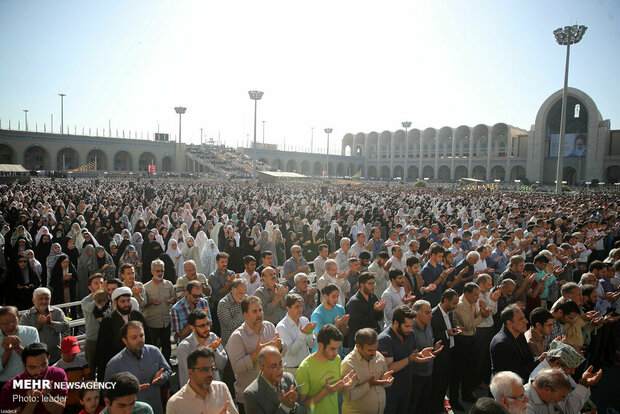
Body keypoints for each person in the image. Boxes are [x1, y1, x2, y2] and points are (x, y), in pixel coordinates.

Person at [225, 295, 283, 412]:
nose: (259, 314)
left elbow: (282, 350)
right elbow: (237, 367)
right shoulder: (237, 337)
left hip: (273, 393)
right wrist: (257, 353)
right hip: (250, 398)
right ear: (245, 315)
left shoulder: (269, 327)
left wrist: (280, 347)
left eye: (260, 310)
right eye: (255, 311)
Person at [377, 305, 438, 414]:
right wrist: (410, 359)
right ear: (396, 322)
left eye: (411, 326)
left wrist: (421, 354)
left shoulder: (410, 334)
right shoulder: (385, 340)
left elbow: (414, 354)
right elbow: (389, 367)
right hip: (391, 392)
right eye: (406, 326)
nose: (410, 329)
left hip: (406, 388)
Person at [104, 321, 172, 414]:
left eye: (141, 335)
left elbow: (167, 370)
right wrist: (130, 390)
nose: (139, 340)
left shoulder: (154, 351)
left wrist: (162, 377)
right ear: (125, 340)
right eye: (134, 337)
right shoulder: (114, 364)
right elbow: (107, 392)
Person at [528, 340, 602, 414]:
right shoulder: (542, 380)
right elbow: (567, 411)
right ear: (557, 363)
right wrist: (583, 385)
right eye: (571, 368)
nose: (573, 372)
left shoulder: (559, 370)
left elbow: (575, 393)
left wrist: (584, 384)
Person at [296, 324, 356, 414]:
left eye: (338, 348)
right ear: (320, 346)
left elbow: (336, 392)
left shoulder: (337, 359)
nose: (336, 352)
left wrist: (342, 386)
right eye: (332, 349)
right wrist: (325, 392)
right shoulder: (304, 368)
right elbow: (302, 405)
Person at [95, 287, 148, 381]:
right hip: (118, 365)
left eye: (128, 300)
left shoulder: (137, 316)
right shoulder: (108, 321)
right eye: (123, 301)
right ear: (115, 302)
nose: (127, 304)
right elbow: (103, 349)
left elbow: (147, 339)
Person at [0, 342, 68, 414]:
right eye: (32, 367)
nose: (38, 371)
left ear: (48, 359)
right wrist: (32, 402)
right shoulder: (10, 387)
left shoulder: (58, 375)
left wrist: (46, 397)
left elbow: (59, 411)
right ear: (24, 365)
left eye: (43, 365)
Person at [167, 347, 237, 414]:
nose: (210, 373)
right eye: (204, 369)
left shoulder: (221, 389)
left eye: (212, 369)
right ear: (190, 373)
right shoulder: (175, 404)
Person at [453, 281, 492, 402]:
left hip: (471, 338)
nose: (477, 297)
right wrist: (483, 317)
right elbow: (469, 325)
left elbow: (475, 316)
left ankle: (467, 393)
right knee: (460, 371)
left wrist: (482, 312)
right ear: (467, 294)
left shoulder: (472, 302)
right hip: (462, 340)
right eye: (475, 295)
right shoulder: (460, 305)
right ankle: (458, 398)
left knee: (470, 369)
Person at [340, 328, 393, 414]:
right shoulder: (349, 364)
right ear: (358, 347)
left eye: (375, 349)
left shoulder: (379, 357)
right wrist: (369, 384)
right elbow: (348, 396)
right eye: (370, 350)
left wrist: (386, 381)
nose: (374, 354)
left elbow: (386, 383)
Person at [243, 346, 307, 414]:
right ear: (262, 368)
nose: (280, 369)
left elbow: (304, 411)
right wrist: (284, 407)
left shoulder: (289, 379)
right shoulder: (251, 394)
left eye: (280, 364)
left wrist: (294, 406)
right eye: (273, 366)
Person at [430, 289, 463, 413]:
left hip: (451, 352)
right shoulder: (433, 314)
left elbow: (449, 327)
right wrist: (446, 333)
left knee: (451, 381)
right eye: (454, 303)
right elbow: (431, 337)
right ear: (445, 301)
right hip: (441, 357)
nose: (455, 306)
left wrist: (454, 330)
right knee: (439, 386)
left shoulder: (449, 312)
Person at [18, 287, 70, 364]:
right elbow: (23, 334)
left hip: (55, 357)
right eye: (41, 299)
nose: (44, 301)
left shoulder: (57, 312)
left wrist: (51, 323)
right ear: (33, 301)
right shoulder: (27, 316)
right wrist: (39, 324)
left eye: (47, 299)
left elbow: (65, 327)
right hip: (35, 359)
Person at [177, 309, 227, 387]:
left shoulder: (213, 337)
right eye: (202, 326)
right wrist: (206, 351)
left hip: (215, 391)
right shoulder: (184, 347)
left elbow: (222, 364)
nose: (207, 328)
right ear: (192, 328)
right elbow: (186, 378)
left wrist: (214, 350)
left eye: (208, 324)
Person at [410, 299, 444, 413]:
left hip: (428, 374)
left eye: (430, 312)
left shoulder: (429, 327)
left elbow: (427, 348)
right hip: (415, 376)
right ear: (416, 313)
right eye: (427, 313)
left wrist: (434, 350)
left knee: (424, 406)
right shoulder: (410, 331)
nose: (431, 315)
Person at [490, 305, 541, 381]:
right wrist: (540, 361)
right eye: (521, 319)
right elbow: (515, 374)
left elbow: (528, 359)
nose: (526, 321)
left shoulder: (519, 334)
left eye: (524, 317)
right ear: (509, 323)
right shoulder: (501, 344)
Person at [142, 259, 176, 362]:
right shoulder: (146, 287)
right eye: (158, 271)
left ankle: (166, 364)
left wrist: (172, 300)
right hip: (152, 323)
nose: (160, 273)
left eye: (162, 271)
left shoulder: (169, 284)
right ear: (152, 271)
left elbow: (174, 298)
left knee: (166, 345)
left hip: (166, 321)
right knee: (153, 347)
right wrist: (151, 302)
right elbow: (142, 305)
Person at [275, 293, 316, 375]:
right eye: (297, 307)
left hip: (306, 367)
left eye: (301, 306)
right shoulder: (281, 327)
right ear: (288, 308)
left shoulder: (305, 320)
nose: (300, 309)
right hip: (291, 371)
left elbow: (312, 345)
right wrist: (303, 333)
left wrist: (310, 333)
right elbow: (291, 351)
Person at [0, 306, 40, 387]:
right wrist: (7, 351)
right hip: (5, 384)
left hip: (29, 382)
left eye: (13, 321)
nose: (10, 326)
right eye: (5, 324)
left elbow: (37, 361)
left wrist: (18, 348)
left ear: (18, 317)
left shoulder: (31, 332)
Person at [345, 272, 385, 346]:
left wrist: (380, 310)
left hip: (373, 338)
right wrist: (375, 310)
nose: (373, 286)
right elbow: (360, 324)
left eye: (374, 283)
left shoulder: (373, 298)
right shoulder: (354, 302)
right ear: (361, 285)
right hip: (360, 343)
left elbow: (379, 318)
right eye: (370, 284)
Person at [53, 336, 90, 413]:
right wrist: (76, 385)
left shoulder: (82, 362)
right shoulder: (57, 367)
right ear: (61, 351)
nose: (72, 356)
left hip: (80, 401)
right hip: (65, 403)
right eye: (69, 353)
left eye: (74, 353)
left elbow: (88, 379)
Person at [311, 284, 349, 353]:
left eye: (337, 296)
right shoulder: (317, 314)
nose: (336, 299)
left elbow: (344, 333)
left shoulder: (340, 309)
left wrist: (344, 324)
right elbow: (322, 337)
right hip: (322, 355)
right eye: (333, 297)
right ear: (325, 296)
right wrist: (336, 325)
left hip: (338, 353)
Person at [80, 274, 105, 379]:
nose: (99, 285)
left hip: (105, 338)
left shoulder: (107, 298)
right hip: (92, 339)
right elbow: (90, 309)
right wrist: (98, 296)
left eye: (102, 283)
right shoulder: (86, 301)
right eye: (96, 283)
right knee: (90, 369)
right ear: (90, 287)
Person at [208, 252, 236, 336]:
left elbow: (235, 289)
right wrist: (228, 283)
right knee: (218, 332)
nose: (224, 264)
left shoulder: (231, 273)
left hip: (232, 304)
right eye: (222, 262)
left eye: (225, 262)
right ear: (217, 262)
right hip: (218, 305)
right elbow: (220, 293)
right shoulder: (213, 276)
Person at [218, 278, 248, 346]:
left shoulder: (246, 298)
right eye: (240, 293)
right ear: (233, 290)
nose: (242, 296)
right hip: (230, 343)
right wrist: (245, 311)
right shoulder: (223, 303)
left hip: (246, 341)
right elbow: (230, 325)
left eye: (244, 293)